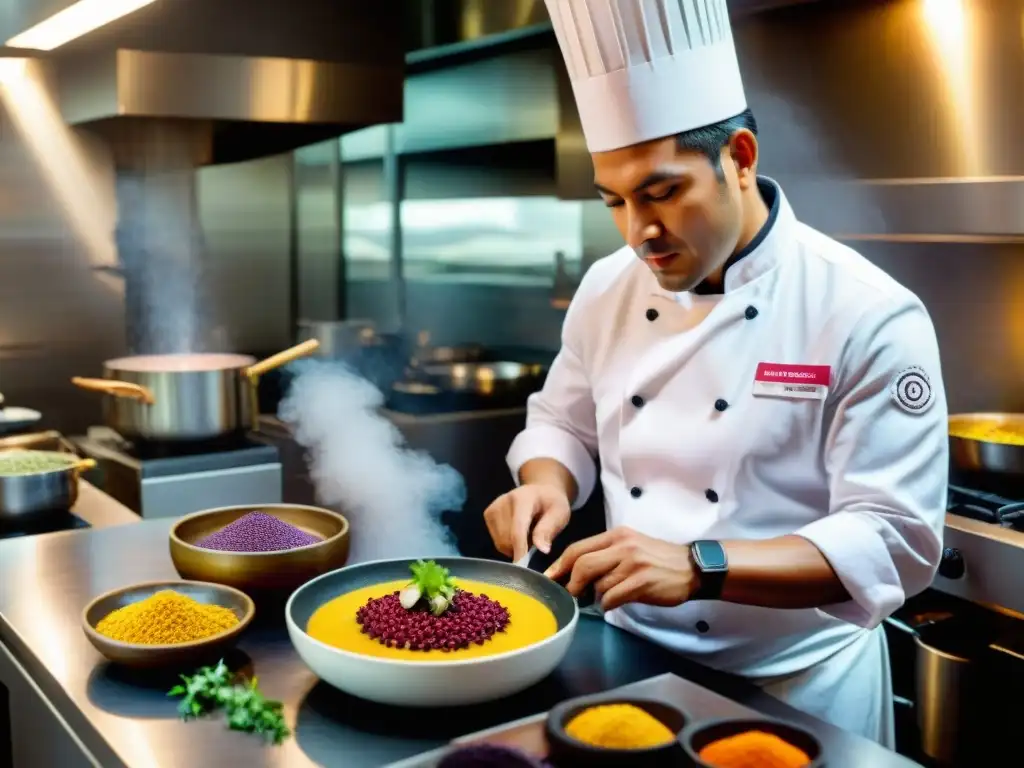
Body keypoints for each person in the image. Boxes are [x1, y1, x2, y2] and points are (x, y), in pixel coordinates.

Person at [483, 0, 948, 747]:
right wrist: (545, 482)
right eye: (617, 202)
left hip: (800, 693)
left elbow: (895, 536)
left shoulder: (867, 312)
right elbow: (562, 422)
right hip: (629, 670)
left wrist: (701, 566)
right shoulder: (607, 287)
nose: (640, 233)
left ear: (738, 157)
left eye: (662, 193)